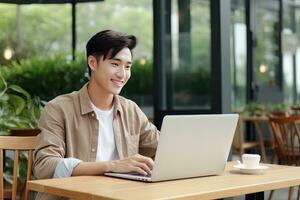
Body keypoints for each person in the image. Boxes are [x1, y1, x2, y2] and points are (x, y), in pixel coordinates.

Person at [33, 30, 160, 200]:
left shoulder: (131, 110)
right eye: (115, 64)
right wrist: (112, 166)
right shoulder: (59, 109)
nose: (122, 74)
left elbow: (163, 147)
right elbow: (44, 166)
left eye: (127, 66)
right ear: (92, 62)